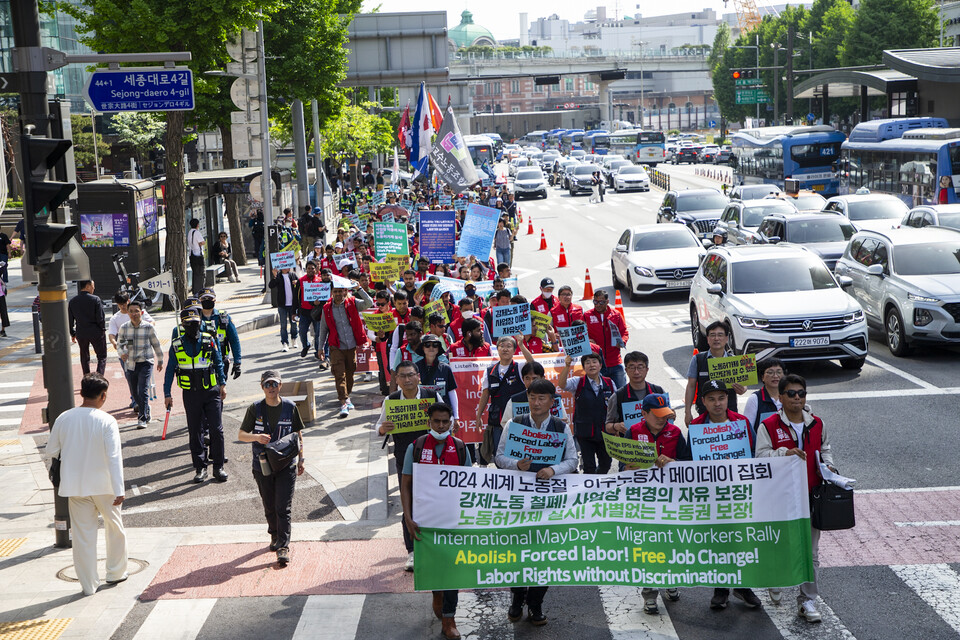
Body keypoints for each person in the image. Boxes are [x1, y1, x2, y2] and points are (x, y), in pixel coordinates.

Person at [495, 378, 578, 627]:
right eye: (532, 397)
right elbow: (499, 456)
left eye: (542, 398)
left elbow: (572, 460)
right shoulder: (515, 423)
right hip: (519, 500)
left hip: (549, 499)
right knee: (517, 551)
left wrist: (553, 469)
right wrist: (515, 464)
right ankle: (517, 596)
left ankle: (535, 602)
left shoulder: (561, 428)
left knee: (545, 553)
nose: (536, 402)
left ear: (552, 402)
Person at [756, 373, 837, 622]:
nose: (797, 398)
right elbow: (760, 457)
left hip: (812, 496)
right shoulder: (768, 425)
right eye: (791, 393)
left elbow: (825, 449)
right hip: (782, 498)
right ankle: (775, 579)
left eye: (801, 393)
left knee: (811, 553)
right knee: (782, 545)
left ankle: (807, 601)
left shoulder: (817, 423)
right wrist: (783, 453)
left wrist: (830, 467)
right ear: (780, 397)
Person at [47, 373, 128, 596]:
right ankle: (115, 572)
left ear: (82, 393)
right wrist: (119, 489)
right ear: (103, 396)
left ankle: (88, 585)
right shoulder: (107, 421)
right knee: (115, 528)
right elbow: (114, 456)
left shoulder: (64, 418)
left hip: (76, 486)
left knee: (83, 536)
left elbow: (51, 450)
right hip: (105, 486)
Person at [689, 380, 761, 610]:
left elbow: (754, 454)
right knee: (717, 541)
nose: (717, 403)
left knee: (741, 540)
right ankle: (720, 589)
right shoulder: (697, 426)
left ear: (728, 399)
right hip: (711, 495)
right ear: (703, 402)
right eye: (711, 399)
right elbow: (688, 461)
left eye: (721, 398)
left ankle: (743, 585)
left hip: (739, 492)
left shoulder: (741, 423)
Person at [400, 402, 469, 640]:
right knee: (432, 567)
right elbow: (406, 483)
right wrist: (408, 518)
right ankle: (436, 593)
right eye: (437, 421)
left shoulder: (460, 448)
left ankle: (449, 620)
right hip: (424, 521)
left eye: (445, 422)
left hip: (452, 520)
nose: (441, 425)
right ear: (429, 421)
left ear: (451, 422)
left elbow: (471, 485)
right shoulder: (416, 447)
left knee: (452, 568)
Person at [620, 393, 690, 614]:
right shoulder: (633, 432)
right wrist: (627, 467)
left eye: (666, 415)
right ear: (644, 414)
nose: (663, 419)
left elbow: (689, 463)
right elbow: (622, 464)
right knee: (647, 546)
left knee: (669, 542)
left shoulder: (676, 432)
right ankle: (649, 593)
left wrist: (673, 462)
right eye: (657, 415)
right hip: (643, 500)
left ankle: (670, 581)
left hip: (670, 499)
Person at [376, 360, 443, 571]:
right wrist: (382, 429)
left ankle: (435, 548)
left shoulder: (432, 396)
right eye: (402, 376)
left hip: (433, 458)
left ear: (418, 376)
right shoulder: (391, 400)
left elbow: (446, 420)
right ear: (396, 380)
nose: (407, 379)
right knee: (409, 504)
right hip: (405, 458)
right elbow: (378, 426)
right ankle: (412, 551)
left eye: (410, 375)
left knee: (435, 502)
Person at [238, 370, 305, 567]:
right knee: (269, 505)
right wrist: (256, 437)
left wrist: (302, 459)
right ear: (262, 387)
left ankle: (283, 546)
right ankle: (274, 535)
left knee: (283, 506)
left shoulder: (290, 407)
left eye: (274, 384)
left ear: (280, 385)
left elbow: (298, 435)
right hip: (263, 465)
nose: (271, 388)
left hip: (286, 464)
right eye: (267, 385)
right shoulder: (255, 409)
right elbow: (241, 434)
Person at [163, 308, 228, 483]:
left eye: (196, 323)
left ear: (200, 323)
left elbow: (218, 362)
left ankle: (219, 466)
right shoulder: (176, 345)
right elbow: (170, 370)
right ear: (183, 325)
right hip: (191, 394)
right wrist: (167, 393)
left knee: (216, 429)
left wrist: (223, 384)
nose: (193, 327)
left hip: (211, 391)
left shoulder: (209, 340)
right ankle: (200, 468)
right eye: (189, 324)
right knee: (195, 431)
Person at [316, 283, 374, 418]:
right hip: (336, 346)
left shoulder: (352, 303)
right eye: (335, 291)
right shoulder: (327, 308)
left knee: (350, 371)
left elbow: (369, 303)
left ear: (344, 291)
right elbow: (323, 329)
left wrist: (359, 288)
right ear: (331, 292)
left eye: (340, 291)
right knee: (339, 373)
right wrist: (320, 348)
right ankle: (343, 401)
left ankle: (347, 396)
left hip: (351, 346)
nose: (337, 294)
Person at [475, 336, 532, 463]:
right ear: (497, 349)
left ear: (514, 350)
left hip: (518, 421)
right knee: (499, 456)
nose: (505, 349)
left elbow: (533, 364)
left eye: (509, 346)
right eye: (502, 346)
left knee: (520, 455)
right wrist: (478, 416)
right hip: (497, 421)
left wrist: (522, 345)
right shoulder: (490, 371)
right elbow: (485, 395)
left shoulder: (520, 368)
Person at [559, 352, 616, 474]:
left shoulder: (609, 383)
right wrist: (567, 366)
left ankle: (599, 486)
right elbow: (562, 385)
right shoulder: (578, 382)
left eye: (594, 362)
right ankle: (590, 490)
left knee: (606, 464)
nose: (591, 365)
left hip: (605, 433)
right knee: (589, 467)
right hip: (585, 433)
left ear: (600, 365)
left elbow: (616, 406)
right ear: (583, 367)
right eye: (587, 363)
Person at [683, 321, 745, 426]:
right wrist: (687, 412)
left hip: (730, 413)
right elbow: (691, 386)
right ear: (707, 339)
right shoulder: (698, 359)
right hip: (705, 413)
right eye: (712, 335)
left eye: (720, 335)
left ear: (726, 338)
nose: (716, 338)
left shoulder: (734, 360)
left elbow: (744, 385)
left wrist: (742, 389)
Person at [116, 301, 163, 429]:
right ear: (128, 313)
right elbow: (119, 345)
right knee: (135, 392)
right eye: (131, 311)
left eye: (136, 311)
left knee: (143, 390)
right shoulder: (124, 328)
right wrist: (121, 354)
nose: (134, 314)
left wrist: (160, 360)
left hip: (146, 362)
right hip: (130, 363)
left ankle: (142, 417)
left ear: (141, 312)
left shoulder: (148, 327)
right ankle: (146, 409)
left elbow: (156, 344)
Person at [585, 289, 629, 388]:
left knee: (621, 392)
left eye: (601, 302)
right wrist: (588, 340)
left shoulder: (616, 315)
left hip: (615, 361)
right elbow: (581, 333)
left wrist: (622, 341)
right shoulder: (587, 315)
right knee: (600, 394)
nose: (598, 304)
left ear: (607, 301)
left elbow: (624, 332)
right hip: (597, 363)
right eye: (595, 302)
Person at [198, 288, 242, 380]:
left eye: (210, 299)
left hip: (221, 360)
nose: (207, 301)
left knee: (219, 389)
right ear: (199, 301)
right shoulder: (195, 319)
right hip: (201, 361)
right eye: (204, 299)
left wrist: (237, 362)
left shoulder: (224, 318)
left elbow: (234, 340)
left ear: (215, 300)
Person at [742, 357, 785, 444]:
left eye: (779, 372)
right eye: (770, 372)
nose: (775, 376)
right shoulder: (755, 399)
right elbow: (747, 430)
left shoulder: (790, 396)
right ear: (762, 377)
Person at [69, 280, 107, 375]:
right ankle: (99, 377)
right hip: (96, 331)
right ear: (88, 286)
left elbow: (70, 320)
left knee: (84, 356)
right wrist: (102, 329)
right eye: (93, 286)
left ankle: (86, 377)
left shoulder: (73, 301)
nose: (94, 288)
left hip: (81, 332)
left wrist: (72, 333)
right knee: (102, 356)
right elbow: (101, 318)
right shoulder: (95, 299)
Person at [268, 267, 300, 352]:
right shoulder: (278, 276)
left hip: (292, 305)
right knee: (283, 325)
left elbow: (300, 285)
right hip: (282, 305)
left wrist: (297, 283)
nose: (287, 268)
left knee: (293, 324)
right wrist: (274, 276)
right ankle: (285, 343)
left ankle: (294, 339)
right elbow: (271, 285)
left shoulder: (293, 275)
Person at [298, 261, 323, 358]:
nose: (310, 270)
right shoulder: (301, 281)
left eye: (312, 268)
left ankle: (317, 351)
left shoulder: (320, 281)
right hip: (305, 311)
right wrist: (294, 312)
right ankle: (306, 345)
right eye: (308, 268)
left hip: (317, 312)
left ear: (316, 269)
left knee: (318, 334)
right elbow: (296, 297)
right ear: (306, 269)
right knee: (302, 331)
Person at [188, 217, 206, 295]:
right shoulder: (197, 232)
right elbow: (202, 242)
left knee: (195, 273)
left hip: (192, 255)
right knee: (200, 274)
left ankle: (195, 290)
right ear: (197, 225)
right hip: (198, 255)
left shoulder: (189, 232)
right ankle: (199, 291)